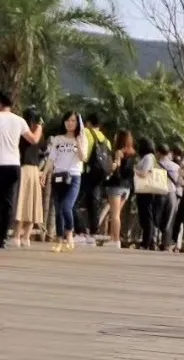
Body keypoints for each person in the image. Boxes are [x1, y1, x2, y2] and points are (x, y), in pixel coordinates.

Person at [0, 93, 43, 248]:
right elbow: (33, 140)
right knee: (8, 202)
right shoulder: (19, 121)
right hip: (13, 165)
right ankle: (2, 238)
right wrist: (39, 128)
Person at [42, 111, 88, 252]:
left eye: (73, 120)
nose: (70, 123)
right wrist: (44, 173)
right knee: (58, 210)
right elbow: (51, 159)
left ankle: (69, 235)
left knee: (66, 207)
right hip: (58, 176)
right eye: (67, 120)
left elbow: (83, 158)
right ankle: (59, 240)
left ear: (78, 123)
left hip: (73, 176)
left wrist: (79, 143)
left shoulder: (81, 138)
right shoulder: (58, 139)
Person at [13, 105, 45, 247]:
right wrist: (39, 126)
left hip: (31, 168)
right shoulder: (28, 131)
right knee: (25, 203)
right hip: (26, 168)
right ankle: (18, 236)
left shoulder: (20, 129)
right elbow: (35, 140)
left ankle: (24, 236)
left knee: (31, 204)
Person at [78, 114, 111, 238]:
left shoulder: (85, 132)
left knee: (74, 202)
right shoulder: (106, 139)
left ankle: (81, 229)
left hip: (86, 172)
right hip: (100, 174)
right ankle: (94, 231)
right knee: (94, 203)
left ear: (88, 122)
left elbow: (83, 154)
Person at [104, 129, 136, 249]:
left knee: (115, 214)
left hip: (116, 185)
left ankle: (116, 240)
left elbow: (115, 168)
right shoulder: (132, 153)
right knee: (117, 214)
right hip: (126, 187)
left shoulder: (119, 152)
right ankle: (113, 238)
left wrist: (115, 163)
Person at [132, 137, 160, 250]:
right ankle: (148, 241)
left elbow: (144, 173)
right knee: (145, 216)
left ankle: (146, 242)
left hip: (147, 191)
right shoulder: (149, 157)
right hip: (145, 190)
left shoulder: (148, 157)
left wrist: (133, 169)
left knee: (147, 217)